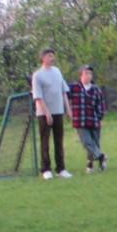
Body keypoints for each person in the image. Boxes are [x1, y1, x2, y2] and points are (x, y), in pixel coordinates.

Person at [32, 47, 73, 180]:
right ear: (43, 58)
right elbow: (38, 97)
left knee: (59, 141)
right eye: (49, 56)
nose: (52, 58)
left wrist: (68, 109)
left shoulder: (57, 71)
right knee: (45, 141)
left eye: (53, 56)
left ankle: (61, 169)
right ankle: (46, 169)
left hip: (58, 111)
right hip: (44, 113)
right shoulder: (38, 75)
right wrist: (47, 113)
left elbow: (63, 91)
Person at [68, 65, 107, 174]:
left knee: (95, 143)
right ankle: (101, 157)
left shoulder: (96, 89)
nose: (88, 75)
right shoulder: (74, 88)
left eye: (90, 73)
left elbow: (101, 105)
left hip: (93, 120)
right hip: (80, 120)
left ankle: (91, 164)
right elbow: (63, 92)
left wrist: (100, 117)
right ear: (81, 75)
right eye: (86, 73)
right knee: (87, 142)